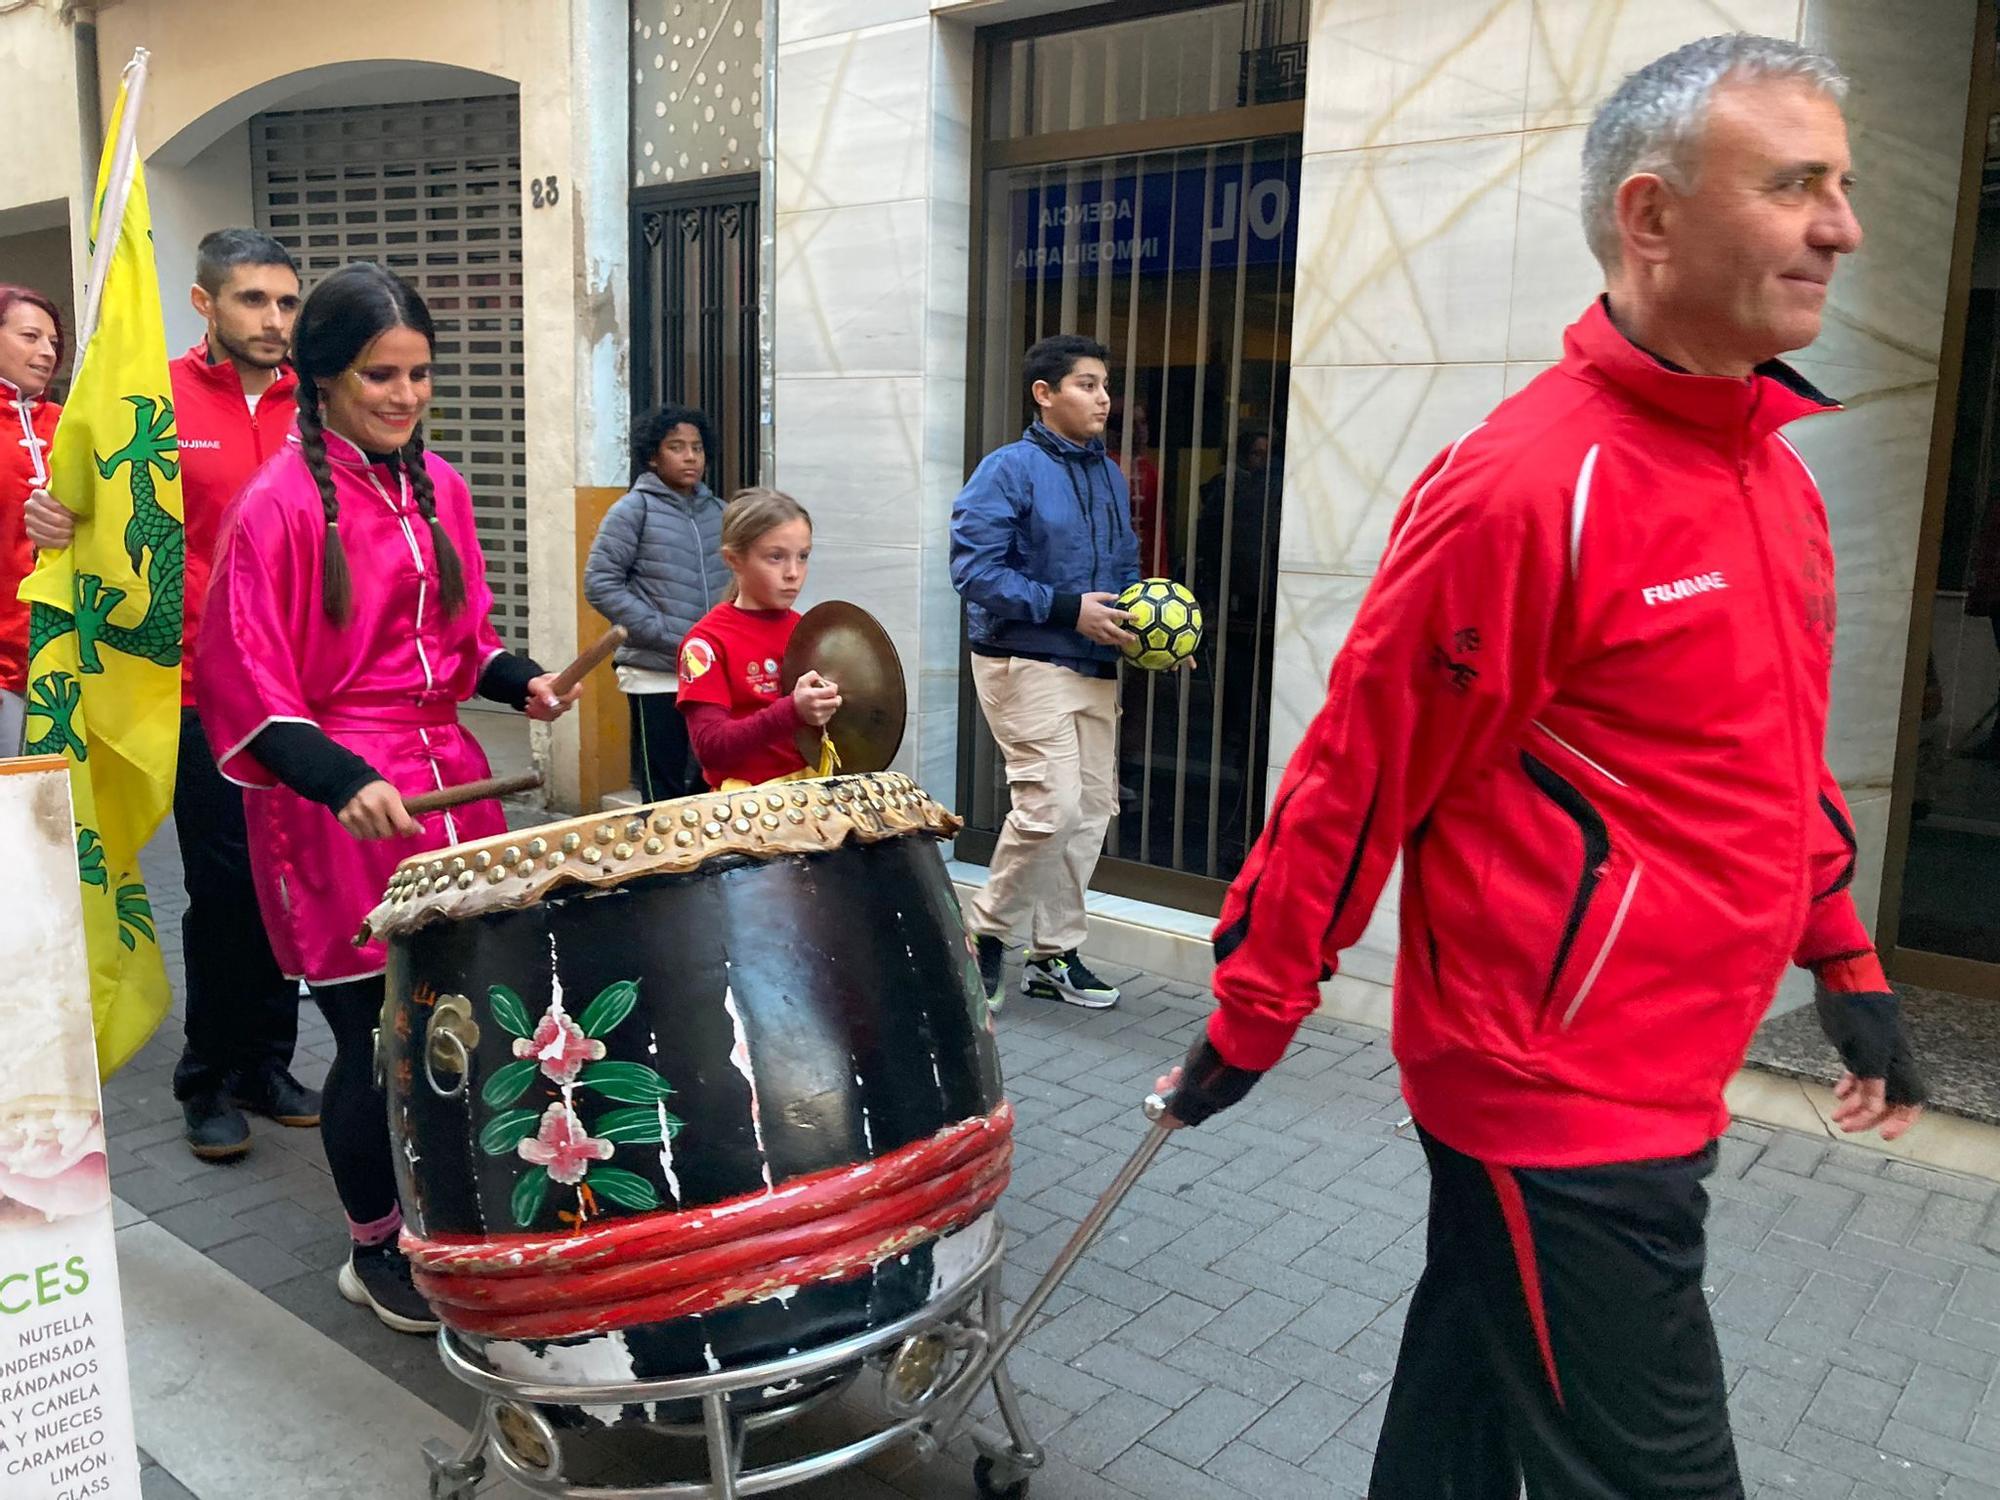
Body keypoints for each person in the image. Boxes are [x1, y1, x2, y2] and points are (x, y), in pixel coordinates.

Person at [1156, 35, 1926, 1498]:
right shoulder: (1527, 487)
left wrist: (1847, 960)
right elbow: (1356, 770)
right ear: (1651, 217)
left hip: (1658, 1068)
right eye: (1794, 184)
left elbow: (1770, 762)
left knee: (1463, 1419)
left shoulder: (1775, 477)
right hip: (1557, 1090)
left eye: (1843, 184)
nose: (1844, 225)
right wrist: (1255, 1012)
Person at [194, 261, 578, 1332]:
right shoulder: (274, 507)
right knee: (378, 1040)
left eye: (418, 375)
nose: (405, 397)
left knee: (480, 1017)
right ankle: (373, 1249)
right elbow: (243, 683)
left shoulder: (439, 486)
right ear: (322, 379)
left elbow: (463, 642)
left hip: (452, 784)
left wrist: (521, 681)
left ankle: (461, 1206)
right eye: (380, 376)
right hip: (337, 808)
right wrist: (340, 778)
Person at [32, 229, 319, 1162]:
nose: (274, 321)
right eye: (252, 301)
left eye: (285, 302)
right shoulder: (144, 399)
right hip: (194, 692)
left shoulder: (317, 402)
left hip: (300, 691)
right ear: (204, 304)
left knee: (287, 880)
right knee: (223, 886)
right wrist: (55, 517)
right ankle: (206, 1073)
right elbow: (87, 509)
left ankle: (269, 1064)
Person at [951, 334, 1139, 1011]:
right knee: (1050, 806)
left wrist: (1153, 631)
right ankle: (985, 932)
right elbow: (974, 573)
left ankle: (1053, 954)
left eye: (1105, 384)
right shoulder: (1007, 470)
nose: (1103, 397)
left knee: (1090, 813)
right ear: (1044, 393)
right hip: (1023, 658)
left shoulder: (1110, 475)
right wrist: (1068, 610)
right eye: (1087, 384)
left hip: (1094, 663)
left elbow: (1122, 571)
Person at [582, 403, 725, 801]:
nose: (690, 456)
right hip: (654, 674)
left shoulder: (720, 513)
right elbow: (599, 582)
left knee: (711, 785)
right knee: (662, 795)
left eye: (696, 447)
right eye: (676, 447)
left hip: (710, 675)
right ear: (652, 455)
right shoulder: (633, 510)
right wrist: (663, 631)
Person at [675, 487, 838, 790]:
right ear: (733, 559)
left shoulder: (807, 628)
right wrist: (792, 711)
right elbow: (710, 748)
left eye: (803, 557)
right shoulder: (705, 643)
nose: (793, 573)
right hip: (745, 808)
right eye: (776, 557)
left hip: (811, 794)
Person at [0, 285, 63, 754]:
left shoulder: (72, 424)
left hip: (68, 662)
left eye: (54, 342)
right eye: (30, 336)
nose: (45, 352)